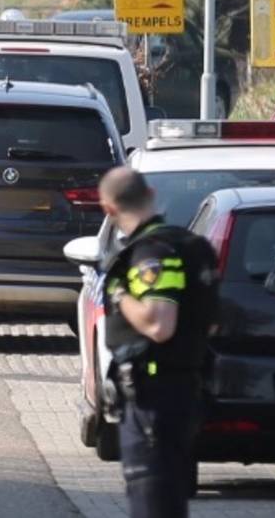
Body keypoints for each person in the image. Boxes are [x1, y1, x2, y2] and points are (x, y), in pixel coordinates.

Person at [99, 166, 218, 518]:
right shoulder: (191, 247)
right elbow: (207, 324)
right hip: (180, 390)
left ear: (107, 208)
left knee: (153, 501)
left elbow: (158, 324)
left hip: (153, 396)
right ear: (150, 194)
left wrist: (120, 295)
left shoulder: (152, 253)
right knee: (167, 498)